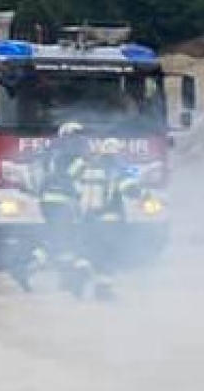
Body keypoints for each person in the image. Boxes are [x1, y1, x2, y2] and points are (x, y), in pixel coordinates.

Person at [66, 137, 144, 301]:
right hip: (110, 221)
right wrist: (144, 195)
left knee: (87, 252)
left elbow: (70, 178)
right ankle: (102, 291)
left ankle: (78, 277)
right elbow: (128, 188)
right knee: (108, 256)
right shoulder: (116, 167)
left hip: (87, 219)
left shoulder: (87, 165)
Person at [12, 121, 86, 293]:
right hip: (63, 202)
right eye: (79, 135)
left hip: (47, 200)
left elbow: (38, 173)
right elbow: (72, 177)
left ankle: (65, 280)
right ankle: (25, 268)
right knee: (62, 241)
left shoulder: (50, 150)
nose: (82, 139)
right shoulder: (73, 153)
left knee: (62, 240)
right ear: (70, 135)